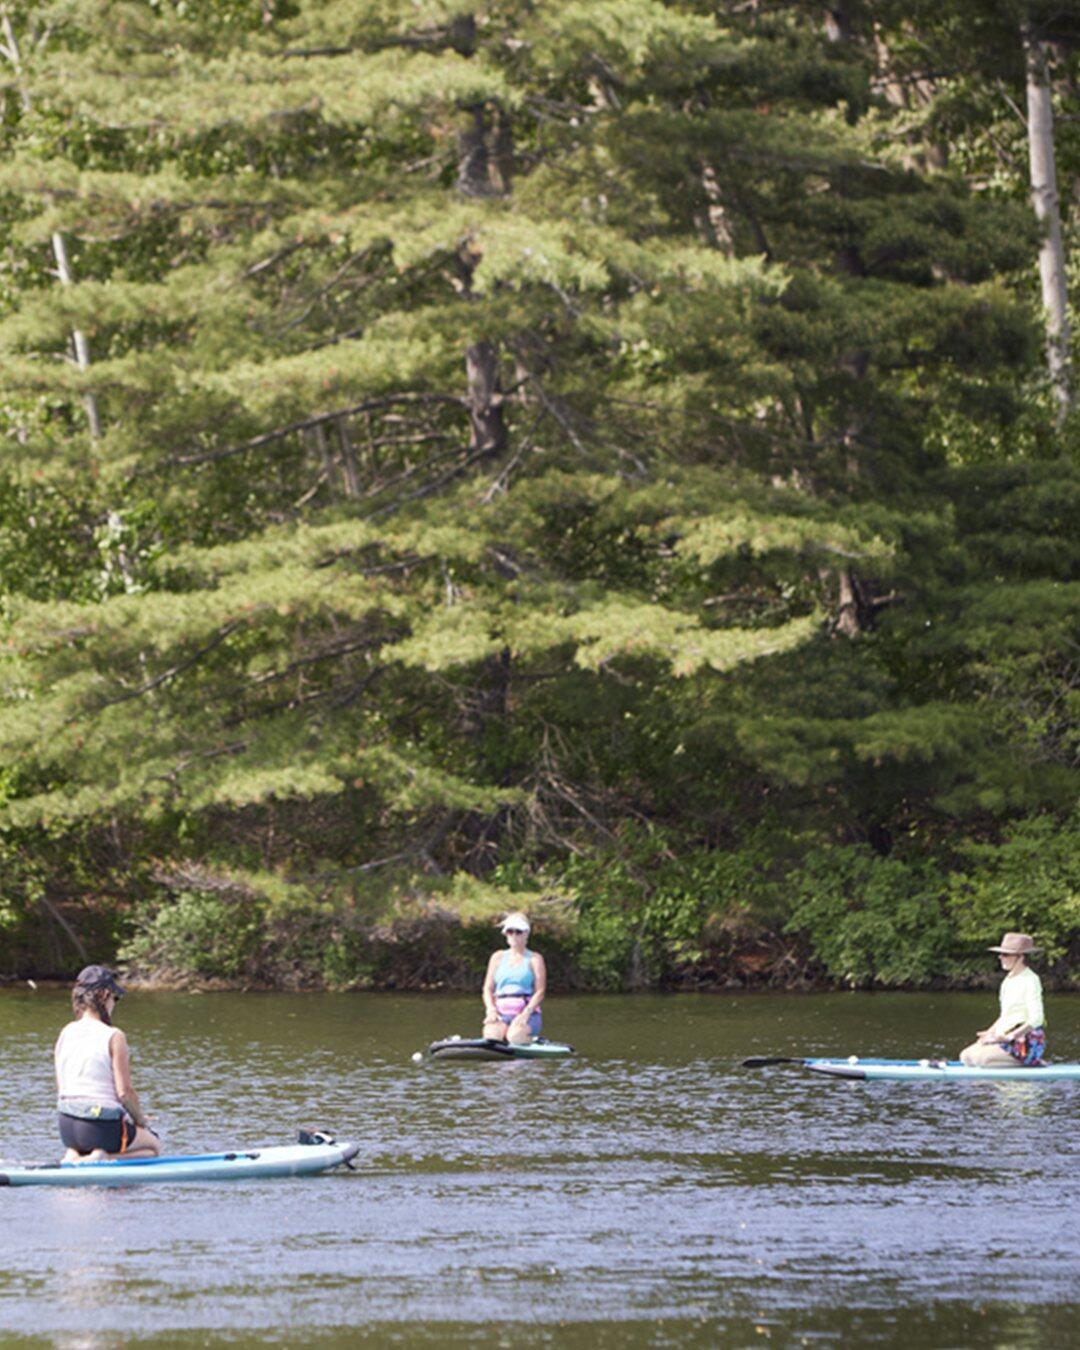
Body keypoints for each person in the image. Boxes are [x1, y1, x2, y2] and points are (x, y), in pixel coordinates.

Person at [54, 965, 161, 1162]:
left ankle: (75, 1154)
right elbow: (124, 1093)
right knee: (153, 1146)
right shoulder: (114, 1035)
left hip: (67, 1127)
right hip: (99, 1127)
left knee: (83, 1145)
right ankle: (104, 1156)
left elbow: (62, 1087)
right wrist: (140, 1121)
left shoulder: (66, 1032)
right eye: (115, 998)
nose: (114, 1004)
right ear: (104, 995)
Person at [959, 932, 1046, 1068]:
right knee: (966, 1057)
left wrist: (1010, 1036)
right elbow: (1005, 1015)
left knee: (983, 1060)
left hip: (1025, 1041)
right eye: (1000, 954)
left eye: (1005, 954)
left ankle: (1030, 1061)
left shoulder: (1031, 980)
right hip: (1005, 1038)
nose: (1000, 957)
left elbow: (1037, 1019)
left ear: (1020, 957)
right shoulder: (1008, 980)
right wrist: (989, 1033)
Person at [482, 912, 546, 1045]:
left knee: (515, 1037)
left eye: (518, 932)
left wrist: (526, 1013)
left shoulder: (535, 959)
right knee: (492, 1037)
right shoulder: (497, 957)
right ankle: (503, 1037)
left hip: (526, 1013)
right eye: (510, 932)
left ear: (526, 933)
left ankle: (531, 1040)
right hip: (501, 1012)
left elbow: (540, 991)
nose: (514, 935)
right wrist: (491, 1009)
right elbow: (488, 988)